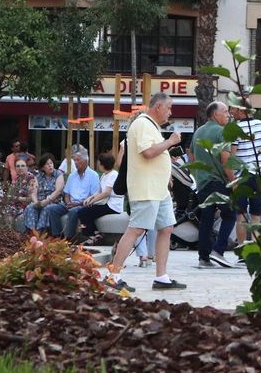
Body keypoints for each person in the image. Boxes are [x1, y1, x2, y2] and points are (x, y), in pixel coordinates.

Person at [105, 91, 186, 291]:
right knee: (136, 229)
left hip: (158, 189)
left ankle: (162, 277)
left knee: (167, 228)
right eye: (168, 108)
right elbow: (148, 152)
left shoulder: (151, 126)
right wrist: (171, 141)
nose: (170, 112)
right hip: (146, 188)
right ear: (158, 107)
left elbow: (154, 152)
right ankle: (113, 275)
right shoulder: (142, 124)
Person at [191, 101, 238, 269]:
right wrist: (233, 182)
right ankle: (218, 250)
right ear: (215, 115)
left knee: (207, 219)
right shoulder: (221, 132)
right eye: (225, 112)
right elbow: (226, 160)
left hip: (202, 182)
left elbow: (192, 155)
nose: (228, 115)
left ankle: (203, 258)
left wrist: (198, 174)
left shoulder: (198, 132)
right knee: (230, 214)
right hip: (218, 182)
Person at [230, 103, 261, 246]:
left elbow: (232, 156)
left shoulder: (235, 129)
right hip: (258, 175)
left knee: (241, 215)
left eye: (233, 109)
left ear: (240, 110)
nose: (231, 112)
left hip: (241, 176)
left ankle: (241, 247)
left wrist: (232, 180)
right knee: (257, 215)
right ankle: (256, 248)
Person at [72, 152, 125, 242]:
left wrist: (93, 201)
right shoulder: (104, 175)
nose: (98, 164)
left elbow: (106, 193)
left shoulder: (113, 175)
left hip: (112, 205)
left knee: (83, 212)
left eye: (99, 162)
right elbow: (99, 191)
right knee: (84, 211)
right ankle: (95, 234)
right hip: (105, 203)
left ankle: (92, 235)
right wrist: (90, 198)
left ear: (103, 164)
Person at [53, 145, 100, 240]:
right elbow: (67, 194)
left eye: (78, 160)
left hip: (82, 204)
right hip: (70, 203)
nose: (76, 162)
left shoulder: (93, 175)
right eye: (75, 160)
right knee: (51, 209)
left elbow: (93, 197)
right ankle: (56, 236)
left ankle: (67, 239)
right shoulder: (72, 175)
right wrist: (68, 202)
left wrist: (76, 204)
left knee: (74, 212)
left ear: (85, 161)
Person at [25, 154, 65, 234]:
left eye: (51, 163)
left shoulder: (58, 174)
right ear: (43, 167)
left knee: (46, 208)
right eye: (47, 164)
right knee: (30, 207)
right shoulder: (38, 177)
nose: (50, 166)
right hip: (40, 202)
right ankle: (32, 232)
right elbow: (33, 192)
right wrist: (36, 202)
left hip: (54, 201)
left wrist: (47, 200)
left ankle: (40, 233)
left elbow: (58, 191)